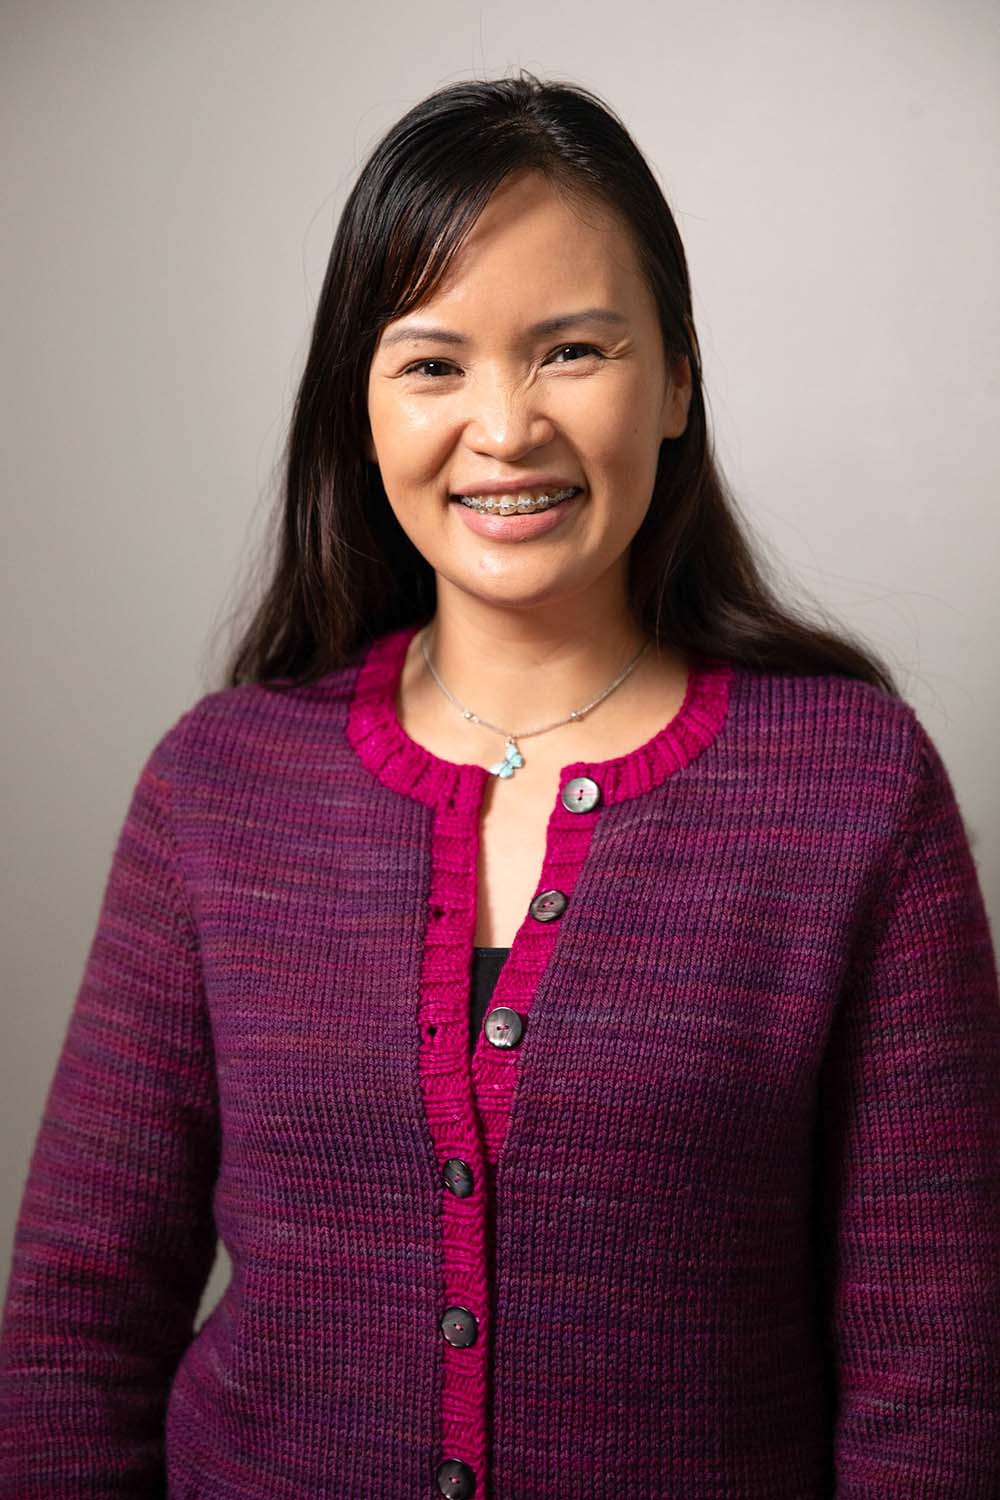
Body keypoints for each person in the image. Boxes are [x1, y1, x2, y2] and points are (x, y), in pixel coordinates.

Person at [1, 70, 998, 1500]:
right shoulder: (217, 792)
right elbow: (77, 1330)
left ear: (677, 380)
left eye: (572, 351)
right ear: (362, 404)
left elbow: (937, 1379)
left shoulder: (855, 793)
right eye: (432, 363)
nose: (505, 426)